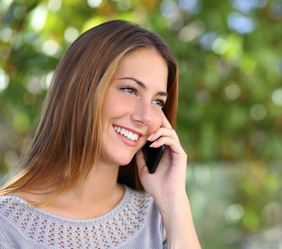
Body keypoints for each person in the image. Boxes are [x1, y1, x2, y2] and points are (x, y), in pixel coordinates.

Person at [0, 20, 201, 249]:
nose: (146, 116)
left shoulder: (162, 219)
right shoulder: (6, 226)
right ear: (81, 89)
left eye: (158, 102)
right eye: (130, 90)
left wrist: (173, 199)